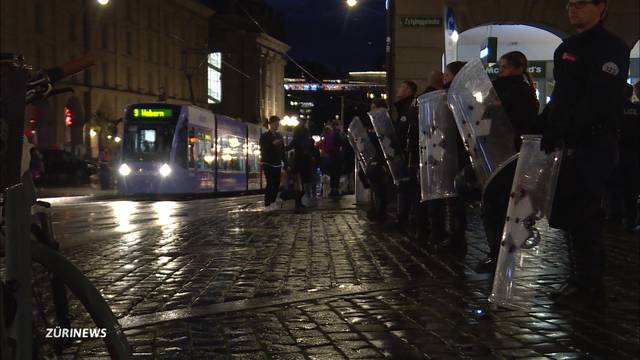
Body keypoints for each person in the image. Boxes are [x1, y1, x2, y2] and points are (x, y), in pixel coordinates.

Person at [539, 0, 630, 306]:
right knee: (570, 212)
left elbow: (600, 97)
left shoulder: (612, 47)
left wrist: (567, 129)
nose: (572, 9)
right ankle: (579, 277)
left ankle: (590, 284)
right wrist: (544, 126)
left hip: (594, 141)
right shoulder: (567, 46)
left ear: (601, 7)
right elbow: (561, 94)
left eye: (580, 4)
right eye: (569, 4)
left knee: (586, 214)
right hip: (569, 142)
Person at [476, 51, 540, 272]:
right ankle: (499, 252)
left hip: (507, 154)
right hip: (502, 153)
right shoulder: (512, 90)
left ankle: (499, 253)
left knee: (497, 205)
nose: (501, 72)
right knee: (497, 204)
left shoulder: (514, 91)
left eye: (504, 67)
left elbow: (501, 119)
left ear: (517, 68)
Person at [425, 62, 469, 251]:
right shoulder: (446, 96)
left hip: (454, 152)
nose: (444, 79)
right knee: (452, 199)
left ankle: (457, 239)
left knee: (455, 199)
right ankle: (455, 237)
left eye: (447, 76)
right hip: (449, 151)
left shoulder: (453, 96)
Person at [394, 80, 419, 225]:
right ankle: (404, 216)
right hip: (403, 153)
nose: (399, 89)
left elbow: (405, 132)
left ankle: (409, 217)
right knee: (404, 185)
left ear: (409, 91)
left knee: (408, 186)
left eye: (402, 87)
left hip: (407, 154)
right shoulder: (402, 108)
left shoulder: (409, 108)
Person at [619, 84, 639, 232]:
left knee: (618, 185)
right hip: (634, 152)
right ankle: (631, 218)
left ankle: (616, 215)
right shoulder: (637, 109)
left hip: (618, 151)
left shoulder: (614, 109)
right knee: (632, 187)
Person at [287, 116, 314, 209]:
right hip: (302, 159)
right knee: (300, 181)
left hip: (303, 159)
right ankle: (298, 202)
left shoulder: (303, 130)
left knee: (301, 181)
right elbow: (296, 142)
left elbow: (295, 142)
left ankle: (299, 202)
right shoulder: (301, 130)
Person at [260, 116, 286, 211]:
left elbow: (282, 151)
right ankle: (267, 204)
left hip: (277, 163)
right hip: (268, 163)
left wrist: (286, 163)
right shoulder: (265, 136)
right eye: (275, 124)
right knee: (270, 183)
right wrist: (272, 144)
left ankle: (273, 202)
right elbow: (263, 149)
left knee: (276, 184)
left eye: (278, 124)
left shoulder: (279, 136)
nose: (277, 126)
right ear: (270, 124)